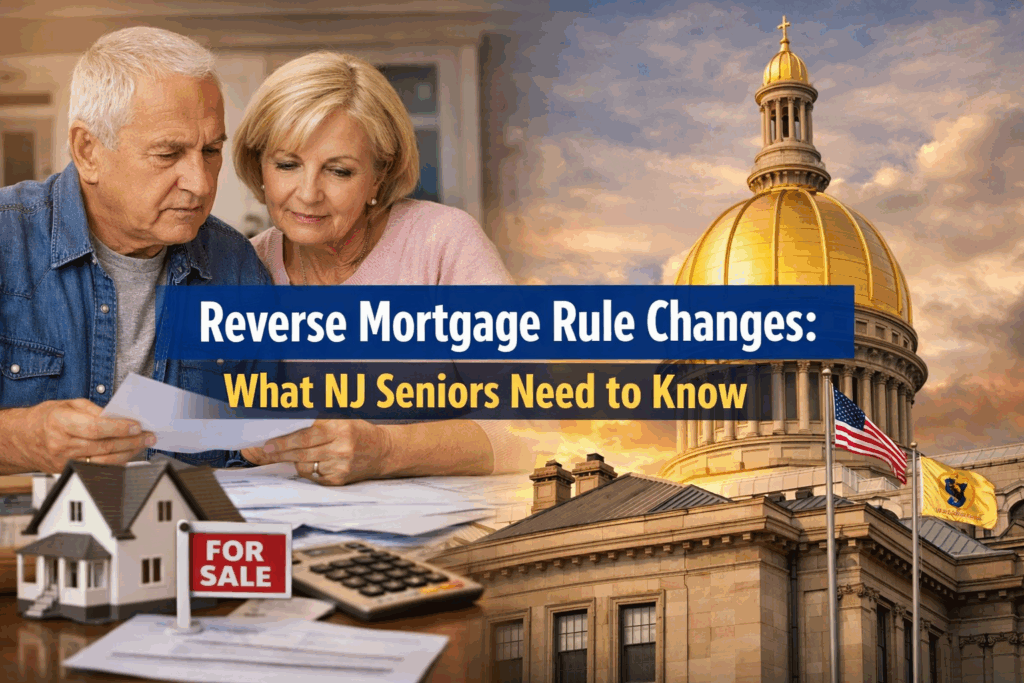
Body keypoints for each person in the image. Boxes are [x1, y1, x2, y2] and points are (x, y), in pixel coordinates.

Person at [234, 51, 532, 485]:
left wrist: (388, 450)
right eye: (287, 165)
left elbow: (533, 428)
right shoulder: (246, 264)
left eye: (338, 171)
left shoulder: (442, 243)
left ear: (379, 175)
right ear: (259, 166)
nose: (308, 194)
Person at [0, 27, 271, 475]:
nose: (201, 184)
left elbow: (263, 442)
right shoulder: (8, 236)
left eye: (210, 151)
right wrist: (17, 438)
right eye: (168, 154)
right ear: (88, 150)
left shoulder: (235, 265)